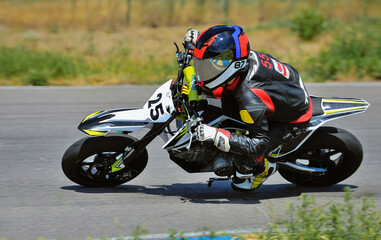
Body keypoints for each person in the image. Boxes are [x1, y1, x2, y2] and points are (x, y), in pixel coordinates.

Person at [184, 25, 312, 191]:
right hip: (281, 90)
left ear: (235, 65)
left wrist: (216, 135)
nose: (204, 71)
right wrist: (201, 44)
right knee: (211, 93)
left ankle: (264, 169)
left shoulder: (249, 100)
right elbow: (224, 50)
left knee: (242, 163)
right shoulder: (240, 58)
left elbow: (259, 143)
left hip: (292, 119)